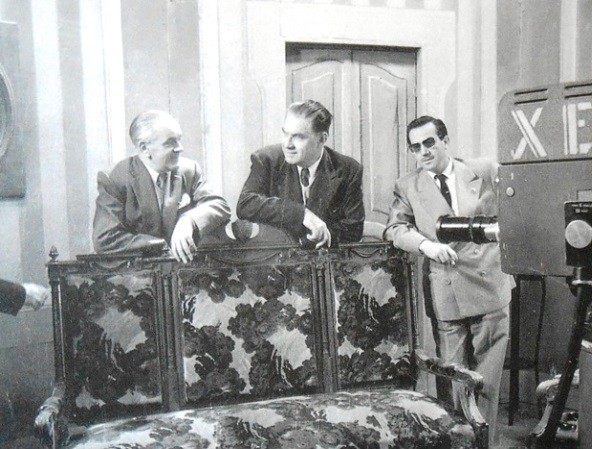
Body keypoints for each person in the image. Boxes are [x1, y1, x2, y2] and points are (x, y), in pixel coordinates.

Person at [384, 115, 514, 445]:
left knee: (488, 380)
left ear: (445, 141)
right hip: (447, 287)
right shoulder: (408, 185)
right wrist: (426, 245)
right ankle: (457, 443)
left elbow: (515, 207)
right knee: (453, 376)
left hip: (490, 285)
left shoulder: (484, 170)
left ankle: (485, 444)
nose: (423, 152)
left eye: (429, 143)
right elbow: (395, 228)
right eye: (416, 147)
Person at [92, 110, 230, 263]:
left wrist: (189, 220)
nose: (180, 148)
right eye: (170, 142)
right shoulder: (115, 178)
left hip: (186, 269)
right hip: (140, 272)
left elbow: (218, 205)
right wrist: (161, 246)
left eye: (179, 140)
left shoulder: (189, 169)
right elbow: (105, 239)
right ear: (144, 148)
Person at [237, 100, 364, 247]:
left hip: (323, 257)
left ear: (322, 139)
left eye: (298, 137)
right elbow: (245, 204)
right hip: (275, 257)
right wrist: (302, 214)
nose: (287, 144)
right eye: (285, 133)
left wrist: (322, 236)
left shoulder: (348, 169)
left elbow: (354, 229)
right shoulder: (267, 159)